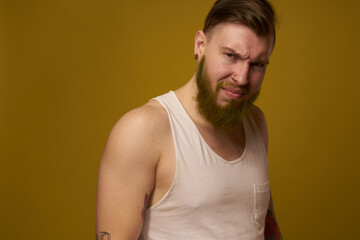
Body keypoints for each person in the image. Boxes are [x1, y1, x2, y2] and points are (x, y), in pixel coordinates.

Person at [96, 0, 282, 239]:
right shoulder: (144, 130)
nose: (242, 77)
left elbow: (264, 224)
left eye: (257, 64)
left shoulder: (255, 122)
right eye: (230, 55)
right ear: (200, 45)